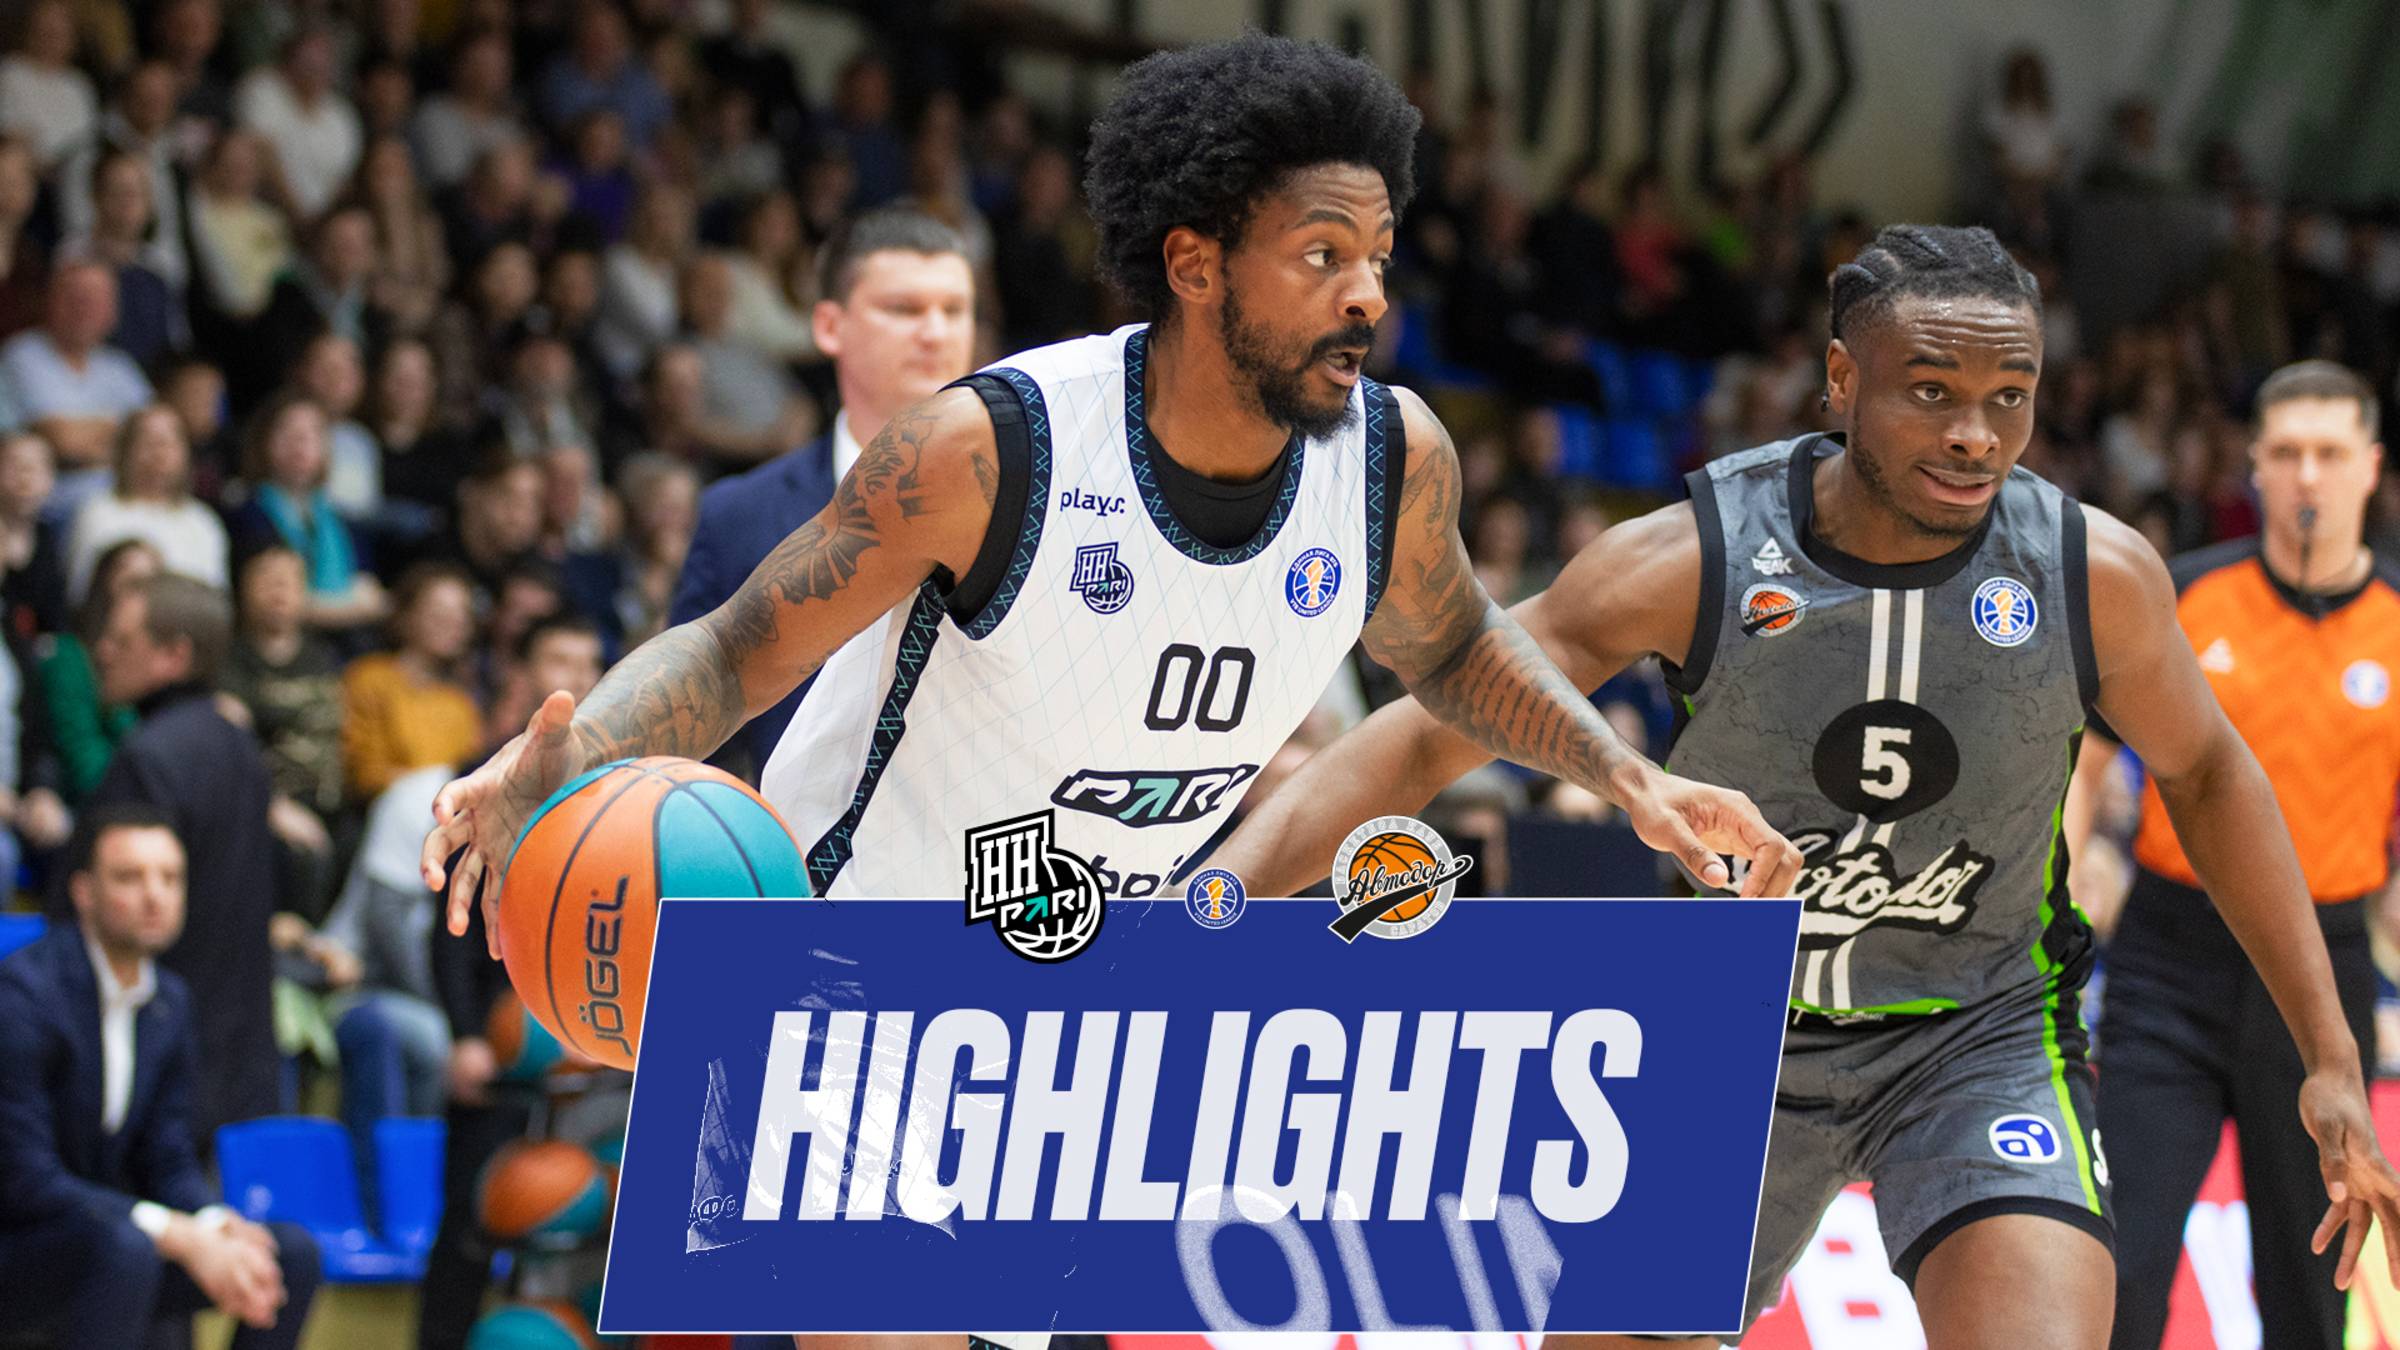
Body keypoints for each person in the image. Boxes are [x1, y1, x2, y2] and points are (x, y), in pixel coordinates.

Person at [1204, 225, 2400, 1348]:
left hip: (1976, 1034)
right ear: (1841, 381)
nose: (1976, 434)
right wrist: (1208, 911)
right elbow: (1430, 729)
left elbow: (2209, 771)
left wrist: (2330, 1055)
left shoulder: (2094, 576)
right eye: (1931, 390)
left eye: (2010, 396)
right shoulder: (1694, 560)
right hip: (1727, 1027)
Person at [428, 33, 1795, 980]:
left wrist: (1633, 780)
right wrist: (571, 752)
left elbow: (1455, 649)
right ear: (1195, 265)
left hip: (1093, 987)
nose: (1367, 296)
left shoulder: (1393, 457)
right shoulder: (989, 446)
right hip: (860, 959)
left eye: (1377, 256)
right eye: (1322, 255)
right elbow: (738, 647)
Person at [2065, 360, 2400, 1350]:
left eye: (2330, 453)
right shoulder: (2189, 593)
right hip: (2170, 963)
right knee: (2121, 1267)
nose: (2308, 475)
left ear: (2370, 467)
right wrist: (2065, 878)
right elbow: (2085, 757)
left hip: (2323, 973)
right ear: (2253, 465)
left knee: (2311, 1283)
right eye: (2287, 453)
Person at [0, 804, 322, 1347]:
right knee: (127, 1248)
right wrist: (175, 1232)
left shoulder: (168, 1001)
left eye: (170, 878)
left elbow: (167, 1157)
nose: (155, 895)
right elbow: (25, 1180)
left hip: (105, 1239)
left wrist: (213, 1223)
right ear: (84, 892)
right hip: (22, 1244)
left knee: (285, 1254)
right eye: (130, 877)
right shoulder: (24, 995)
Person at [669, 206, 974, 776]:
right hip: (785, 828)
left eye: (954, 310)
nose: (936, 333)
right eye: (904, 309)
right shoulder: (738, 514)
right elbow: (689, 729)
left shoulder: (1035, 498)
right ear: (830, 326)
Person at [418, 613, 604, 1350]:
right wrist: (465, 1033)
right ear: (523, 675)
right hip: (506, 1040)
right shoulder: (483, 778)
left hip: (589, 1045)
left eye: (589, 661)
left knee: (579, 1235)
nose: (576, 675)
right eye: (559, 658)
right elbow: (448, 927)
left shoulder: (618, 794)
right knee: (470, 1222)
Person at [78, 572, 280, 1140]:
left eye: (123, 638)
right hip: (241, 1057)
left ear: (174, 655)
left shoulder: (148, 757)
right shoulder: (239, 745)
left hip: (160, 1061)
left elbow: (101, 918)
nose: (103, 650)